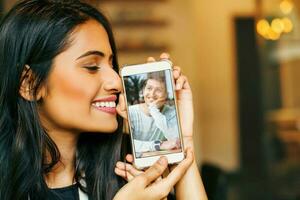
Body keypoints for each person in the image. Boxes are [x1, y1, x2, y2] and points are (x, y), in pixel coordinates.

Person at [0, 0, 207, 200]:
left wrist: (182, 142)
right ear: (29, 83)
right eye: (91, 66)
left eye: (111, 63)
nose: (117, 82)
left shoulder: (128, 164)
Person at [128, 71, 181, 155]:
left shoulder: (172, 113)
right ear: (143, 91)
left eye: (158, 90)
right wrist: (159, 145)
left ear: (166, 95)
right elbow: (128, 144)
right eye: (149, 88)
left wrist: (153, 109)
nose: (152, 94)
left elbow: (175, 140)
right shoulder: (130, 112)